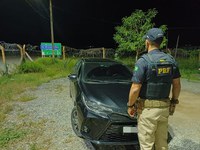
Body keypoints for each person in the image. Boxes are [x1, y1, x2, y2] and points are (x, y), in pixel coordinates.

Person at [127, 28, 181, 150]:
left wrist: (130, 106)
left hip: (148, 110)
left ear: (147, 42)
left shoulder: (143, 61)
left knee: (147, 145)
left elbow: (135, 88)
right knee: (162, 144)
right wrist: (174, 102)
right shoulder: (171, 60)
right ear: (160, 42)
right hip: (164, 109)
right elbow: (177, 84)